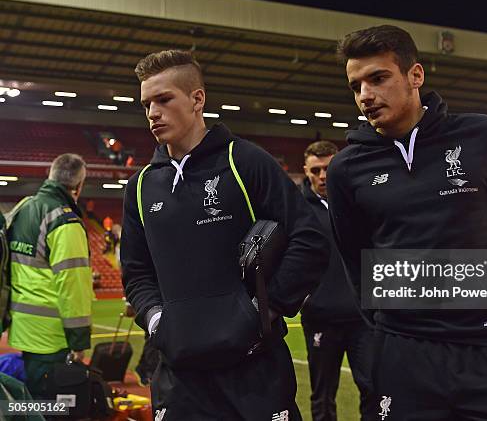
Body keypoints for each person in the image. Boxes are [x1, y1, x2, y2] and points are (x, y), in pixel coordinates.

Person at [327, 25, 487, 420]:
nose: (366, 96)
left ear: (415, 75)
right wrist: (389, 329)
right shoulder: (346, 168)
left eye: (378, 78)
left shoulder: (482, 136)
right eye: (355, 85)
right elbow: (357, 263)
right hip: (404, 352)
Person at [121, 49, 329, 420]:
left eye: (164, 99)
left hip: (254, 372)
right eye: (146, 104)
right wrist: (156, 320)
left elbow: (309, 237)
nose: (153, 113)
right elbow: (136, 271)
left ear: (197, 99)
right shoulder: (140, 186)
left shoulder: (244, 161)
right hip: (179, 377)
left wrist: (264, 311)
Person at [300, 140, 376, 421]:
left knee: (373, 388)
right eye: (316, 170)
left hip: (363, 319)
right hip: (321, 320)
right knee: (322, 396)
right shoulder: (296, 210)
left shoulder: (360, 203)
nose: (322, 177)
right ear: (305, 171)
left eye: (328, 169)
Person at [7, 153, 93, 399]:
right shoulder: (65, 221)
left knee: (33, 403)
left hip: (24, 329)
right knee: (55, 408)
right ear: (78, 186)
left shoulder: (23, 207)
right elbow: (72, 286)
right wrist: (78, 342)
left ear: (50, 175)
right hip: (53, 337)